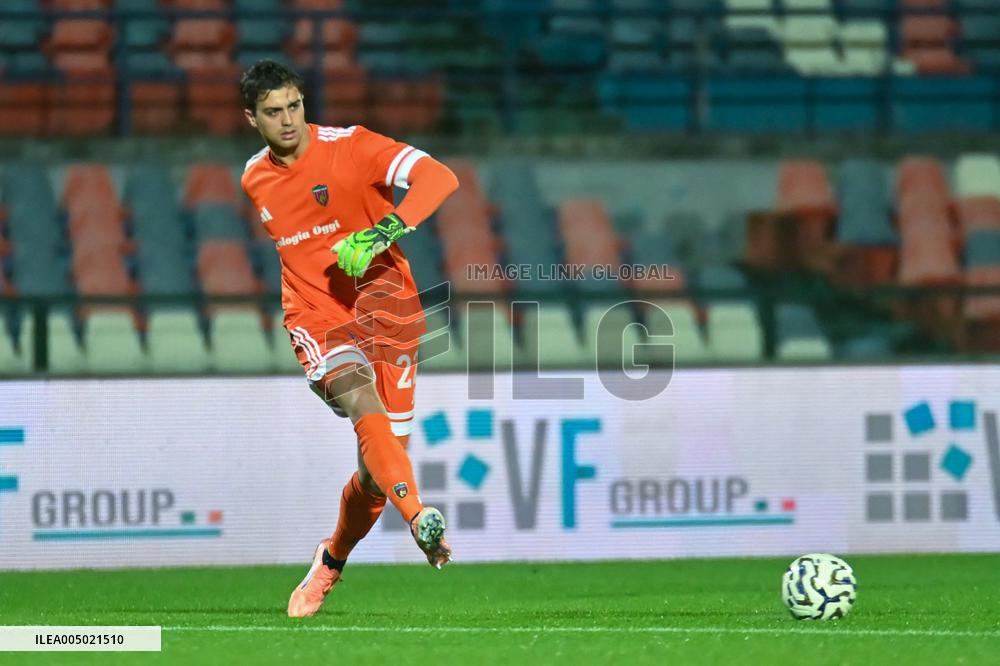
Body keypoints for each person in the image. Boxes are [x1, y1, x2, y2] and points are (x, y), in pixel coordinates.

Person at [239, 60, 460, 618]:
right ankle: (420, 519)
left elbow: (441, 177)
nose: (287, 120)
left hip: (390, 312)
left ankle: (330, 558)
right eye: (273, 112)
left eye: (294, 105)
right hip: (316, 317)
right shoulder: (254, 178)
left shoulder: (353, 146)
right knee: (360, 399)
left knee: (377, 473)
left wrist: (383, 230)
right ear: (252, 119)